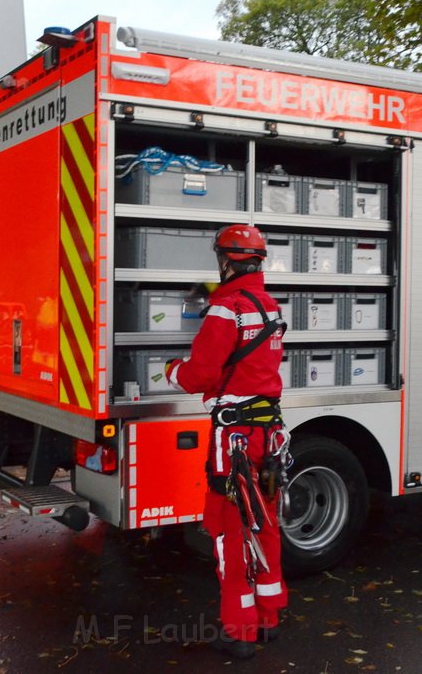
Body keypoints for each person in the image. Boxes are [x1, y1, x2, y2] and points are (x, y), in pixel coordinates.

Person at [164, 224, 290, 659]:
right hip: (269, 434)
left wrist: (171, 369)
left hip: (233, 438)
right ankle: (269, 616)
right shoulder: (269, 306)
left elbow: (200, 374)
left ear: (226, 260)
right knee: (265, 523)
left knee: (229, 529)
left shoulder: (225, 309)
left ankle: (239, 631)